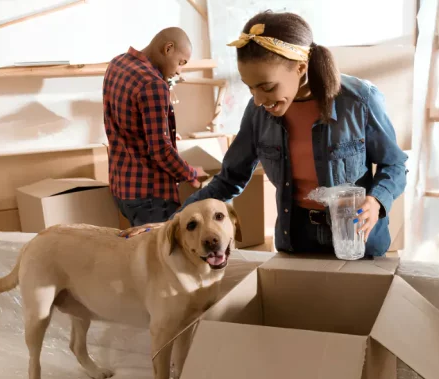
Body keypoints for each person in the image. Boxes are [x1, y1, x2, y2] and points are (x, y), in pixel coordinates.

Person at [122, 11, 407, 258]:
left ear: (300, 68)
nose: (258, 99)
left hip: (357, 238)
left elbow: (394, 165)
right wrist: (170, 223)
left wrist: (376, 200)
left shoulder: (359, 101)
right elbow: (229, 179)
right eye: (250, 88)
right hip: (297, 239)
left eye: (267, 87)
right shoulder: (259, 113)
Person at [103, 27, 207, 227]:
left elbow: (122, 122)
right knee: (159, 257)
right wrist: (190, 174)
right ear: (168, 48)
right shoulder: (153, 84)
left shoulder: (117, 63)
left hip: (122, 188)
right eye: (181, 62)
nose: (179, 71)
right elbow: (160, 151)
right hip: (150, 196)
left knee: (142, 253)